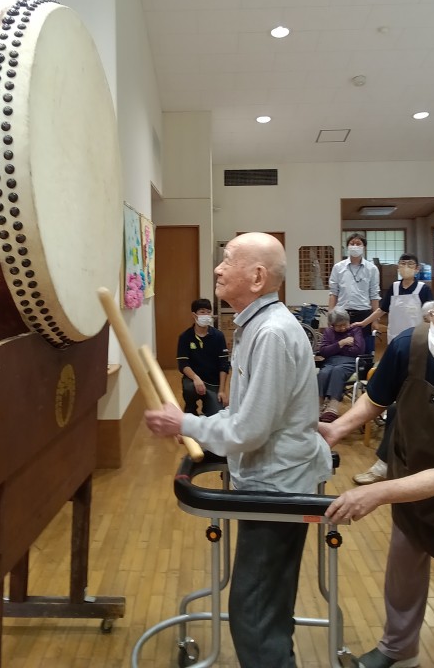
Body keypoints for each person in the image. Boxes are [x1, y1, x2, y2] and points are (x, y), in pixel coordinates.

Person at [146, 232, 332, 668]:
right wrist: (200, 427)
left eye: (228, 260)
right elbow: (241, 414)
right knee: (265, 603)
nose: (218, 268)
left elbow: (249, 430)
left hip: (277, 489)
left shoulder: (271, 332)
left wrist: (185, 423)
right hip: (267, 480)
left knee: (254, 611)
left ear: (257, 277)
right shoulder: (254, 325)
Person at [319, 270, 434, 668]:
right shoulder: (410, 345)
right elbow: (376, 399)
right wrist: (337, 428)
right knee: (403, 571)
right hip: (413, 485)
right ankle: (398, 650)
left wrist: (375, 492)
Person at [351, 254, 434, 485]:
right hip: (396, 344)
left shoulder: (423, 290)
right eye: (402, 264)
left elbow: (429, 314)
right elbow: (381, 311)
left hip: (418, 345)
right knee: (390, 387)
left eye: (410, 265)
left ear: (417, 268)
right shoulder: (394, 288)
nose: (405, 268)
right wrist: (363, 323)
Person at [176, 298, 230, 416]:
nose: (206, 315)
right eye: (202, 312)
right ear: (194, 315)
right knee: (190, 388)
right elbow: (183, 364)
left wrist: (222, 391)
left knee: (217, 415)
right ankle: (191, 409)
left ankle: (208, 406)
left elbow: (224, 364)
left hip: (213, 383)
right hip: (193, 380)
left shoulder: (218, 336)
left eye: (208, 312)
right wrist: (196, 378)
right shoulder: (185, 337)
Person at [317, 307, 366, 423]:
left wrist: (334, 349)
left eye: (345, 324)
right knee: (323, 373)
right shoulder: (328, 332)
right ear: (332, 325)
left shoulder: (355, 330)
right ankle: (318, 405)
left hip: (350, 362)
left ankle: (332, 407)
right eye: (339, 326)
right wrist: (341, 343)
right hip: (331, 362)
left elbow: (358, 350)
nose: (343, 328)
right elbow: (323, 351)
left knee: (338, 371)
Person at [328, 233, 381, 339]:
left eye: (358, 244)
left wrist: (375, 320)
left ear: (364, 247)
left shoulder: (372, 269)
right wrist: (330, 316)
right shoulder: (338, 267)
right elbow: (333, 293)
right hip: (342, 314)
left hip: (364, 314)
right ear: (347, 247)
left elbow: (374, 295)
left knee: (363, 345)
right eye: (352, 244)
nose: (355, 246)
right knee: (342, 344)